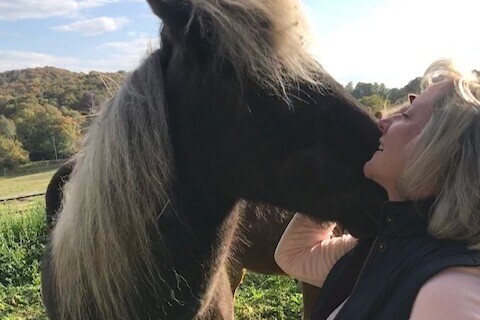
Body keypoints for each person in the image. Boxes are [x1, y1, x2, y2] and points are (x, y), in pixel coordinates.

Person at [275, 59, 480, 319]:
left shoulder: (449, 294)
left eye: (405, 115)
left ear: (442, 153)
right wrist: (344, 179)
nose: (382, 123)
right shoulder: (380, 244)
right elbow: (293, 255)